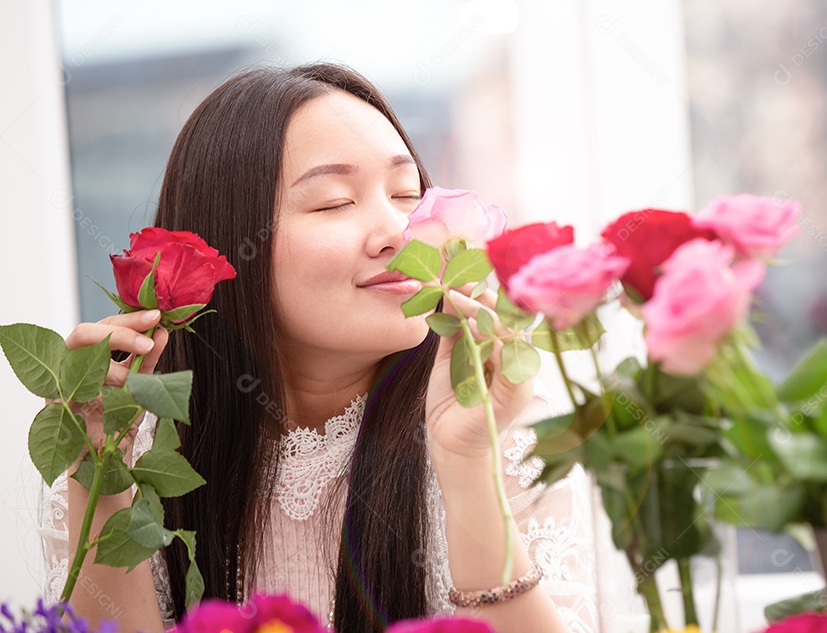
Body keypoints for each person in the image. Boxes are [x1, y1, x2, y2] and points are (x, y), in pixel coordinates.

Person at [40, 63, 598, 633]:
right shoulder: (136, 457)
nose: (396, 232)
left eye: (408, 193)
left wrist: (467, 466)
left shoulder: (504, 432)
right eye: (334, 202)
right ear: (233, 243)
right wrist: (97, 472)